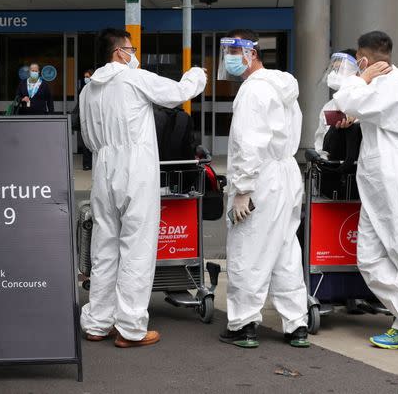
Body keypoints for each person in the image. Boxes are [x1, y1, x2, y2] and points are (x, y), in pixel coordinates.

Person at [79, 28, 206, 348]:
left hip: (103, 168)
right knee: (137, 247)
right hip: (135, 169)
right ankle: (131, 328)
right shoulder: (133, 79)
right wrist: (196, 74)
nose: (133, 54)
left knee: (103, 247)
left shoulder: (87, 91)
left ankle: (98, 321)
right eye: (130, 48)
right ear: (120, 52)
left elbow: (89, 140)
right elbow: (178, 93)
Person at [333, 30, 398, 355]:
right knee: (369, 257)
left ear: (363, 59)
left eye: (359, 63)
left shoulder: (391, 84)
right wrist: (355, 117)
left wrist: (360, 79)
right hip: (383, 181)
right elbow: (361, 109)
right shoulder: (385, 86)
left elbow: (347, 97)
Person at [216, 29, 310, 349]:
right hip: (286, 173)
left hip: (261, 177)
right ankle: (296, 324)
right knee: (285, 250)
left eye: (233, 50)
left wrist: (243, 188)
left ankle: (243, 324)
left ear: (252, 53)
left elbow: (248, 143)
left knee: (248, 249)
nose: (228, 57)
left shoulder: (252, 91)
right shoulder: (283, 86)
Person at [314, 50, 359, 155]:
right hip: (333, 165)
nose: (334, 73)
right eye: (333, 69)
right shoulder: (329, 106)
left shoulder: (364, 100)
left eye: (340, 69)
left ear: (356, 71)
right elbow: (321, 139)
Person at [75, 69, 94, 170]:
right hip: (85, 119)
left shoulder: (96, 89)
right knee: (85, 140)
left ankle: (93, 162)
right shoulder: (83, 90)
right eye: (85, 77)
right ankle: (86, 164)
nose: (86, 79)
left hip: (93, 119)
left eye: (88, 77)